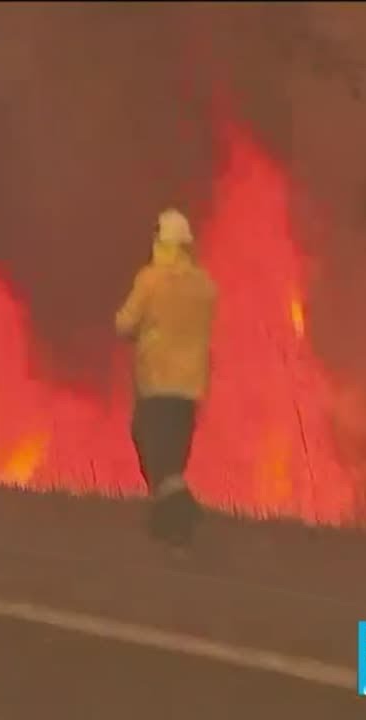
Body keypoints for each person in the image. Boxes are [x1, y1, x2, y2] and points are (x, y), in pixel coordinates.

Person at [115, 208, 217, 553]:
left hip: (157, 381)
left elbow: (125, 324)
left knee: (151, 449)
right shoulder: (205, 286)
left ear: (164, 243)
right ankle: (171, 529)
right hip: (190, 387)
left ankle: (183, 511)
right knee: (173, 460)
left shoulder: (151, 279)